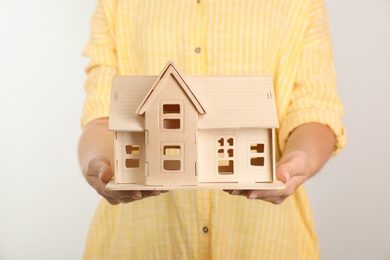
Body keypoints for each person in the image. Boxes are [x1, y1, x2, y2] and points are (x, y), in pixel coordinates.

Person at [78, 0, 346, 259]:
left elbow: (314, 106)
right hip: (136, 241)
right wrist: (97, 163)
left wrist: (302, 158)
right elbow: (102, 115)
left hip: (264, 241)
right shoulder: (117, 2)